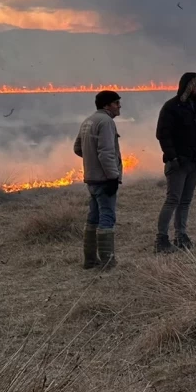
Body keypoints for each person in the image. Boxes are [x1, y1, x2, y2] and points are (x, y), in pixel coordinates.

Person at [154, 72, 196, 253]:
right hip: (178, 163)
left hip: (195, 162)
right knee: (173, 200)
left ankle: (181, 236)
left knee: (185, 201)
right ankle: (161, 240)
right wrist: (173, 157)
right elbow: (163, 134)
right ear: (187, 86)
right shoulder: (172, 107)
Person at [74, 89, 124, 270]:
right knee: (107, 217)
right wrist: (112, 176)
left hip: (91, 179)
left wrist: (91, 161)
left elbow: (78, 148)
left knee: (93, 217)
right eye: (116, 103)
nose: (120, 106)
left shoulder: (88, 121)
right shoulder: (106, 122)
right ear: (106, 105)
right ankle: (107, 261)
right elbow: (106, 152)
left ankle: (89, 260)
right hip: (104, 179)